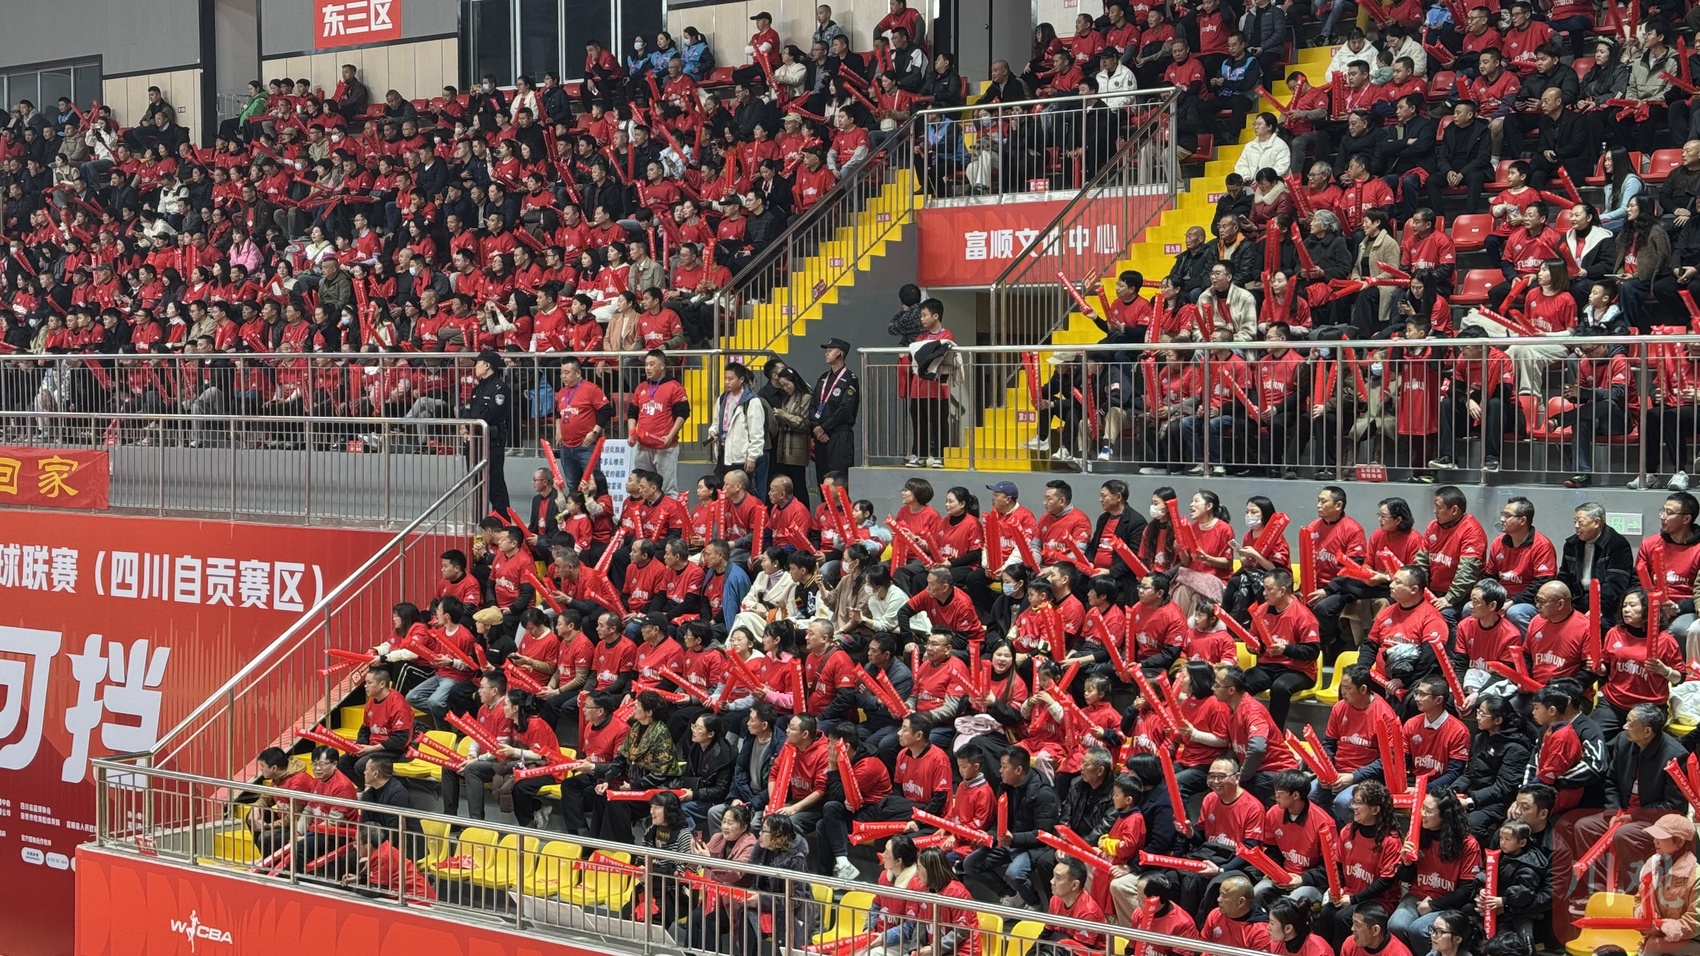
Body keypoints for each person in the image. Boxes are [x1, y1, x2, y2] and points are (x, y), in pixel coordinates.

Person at [463, 350, 512, 513]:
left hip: (492, 441)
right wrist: (465, 426)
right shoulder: (477, 389)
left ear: (487, 365)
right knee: (475, 481)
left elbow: (491, 414)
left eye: (478, 363)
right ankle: (479, 520)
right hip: (474, 440)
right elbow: (467, 410)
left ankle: (502, 520)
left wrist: (472, 425)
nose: (475, 367)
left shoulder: (500, 388)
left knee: (494, 483)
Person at [810, 337, 859, 484]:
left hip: (839, 435)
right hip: (820, 435)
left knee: (838, 479)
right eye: (827, 350)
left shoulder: (850, 379)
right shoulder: (823, 378)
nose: (826, 353)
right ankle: (824, 501)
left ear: (840, 353)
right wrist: (816, 427)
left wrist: (824, 428)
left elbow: (845, 409)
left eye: (830, 350)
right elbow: (813, 405)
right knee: (822, 478)